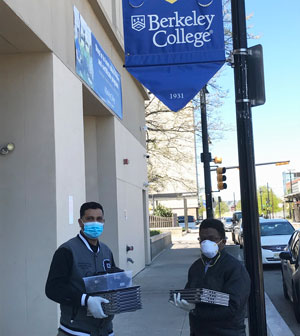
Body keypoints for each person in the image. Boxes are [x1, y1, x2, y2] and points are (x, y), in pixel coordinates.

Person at [46, 201, 117, 336]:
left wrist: (120, 278)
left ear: (103, 221)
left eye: (99, 219)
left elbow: (110, 279)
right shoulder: (67, 251)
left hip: (105, 330)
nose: (95, 223)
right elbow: (53, 288)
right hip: (76, 331)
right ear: (80, 222)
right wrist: (86, 300)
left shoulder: (106, 251)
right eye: (90, 219)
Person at [173, 218, 251, 336]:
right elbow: (191, 294)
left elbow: (233, 307)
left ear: (223, 242)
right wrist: (182, 299)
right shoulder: (196, 267)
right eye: (202, 239)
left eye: (211, 239)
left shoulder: (235, 269)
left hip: (227, 332)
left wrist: (196, 310)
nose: (206, 243)